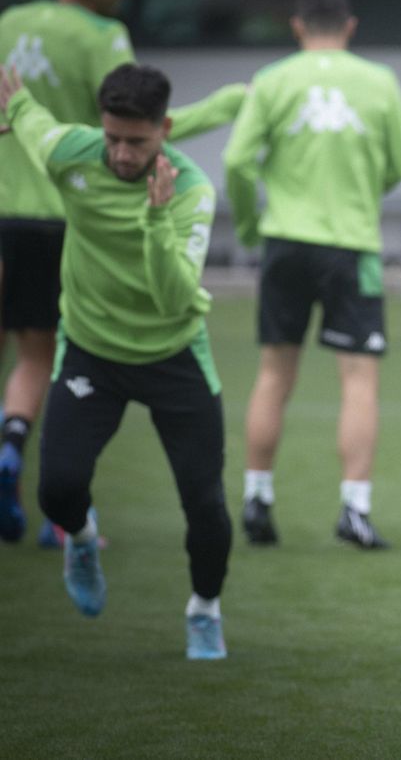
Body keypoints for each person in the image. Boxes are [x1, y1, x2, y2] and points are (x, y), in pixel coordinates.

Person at [0, 0, 245, 547]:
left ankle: (11, 453)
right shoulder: (101, 36)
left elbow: (31, 117)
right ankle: (59, 511)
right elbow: (131, 128)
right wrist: (220, 107)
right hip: (62, 214)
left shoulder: (10, 23)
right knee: (41, 356)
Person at [0, 63, 232, 659]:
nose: (123, 155)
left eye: (138, 141)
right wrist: (17, 99)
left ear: (166, 131)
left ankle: (204, 609)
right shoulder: (69, 154)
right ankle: (81, 538)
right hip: (91, 351)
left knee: (205, 507)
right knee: (57, 490)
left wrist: (154, 218)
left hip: (173, 355)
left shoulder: (192, 191)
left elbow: (175, 297)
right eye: (113, 139)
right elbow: (31, 118)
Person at [224, 0, 401, 550]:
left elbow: (236, 159)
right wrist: (359, 189)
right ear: (349, 27)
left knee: (275, 374)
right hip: (351, 245)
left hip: (284, 240)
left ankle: (257, 499)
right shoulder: (379, 82)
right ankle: (354, 510)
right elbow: (397, 166)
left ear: (297, 27)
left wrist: (254, 226)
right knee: (358, 379)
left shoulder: (274, 80)